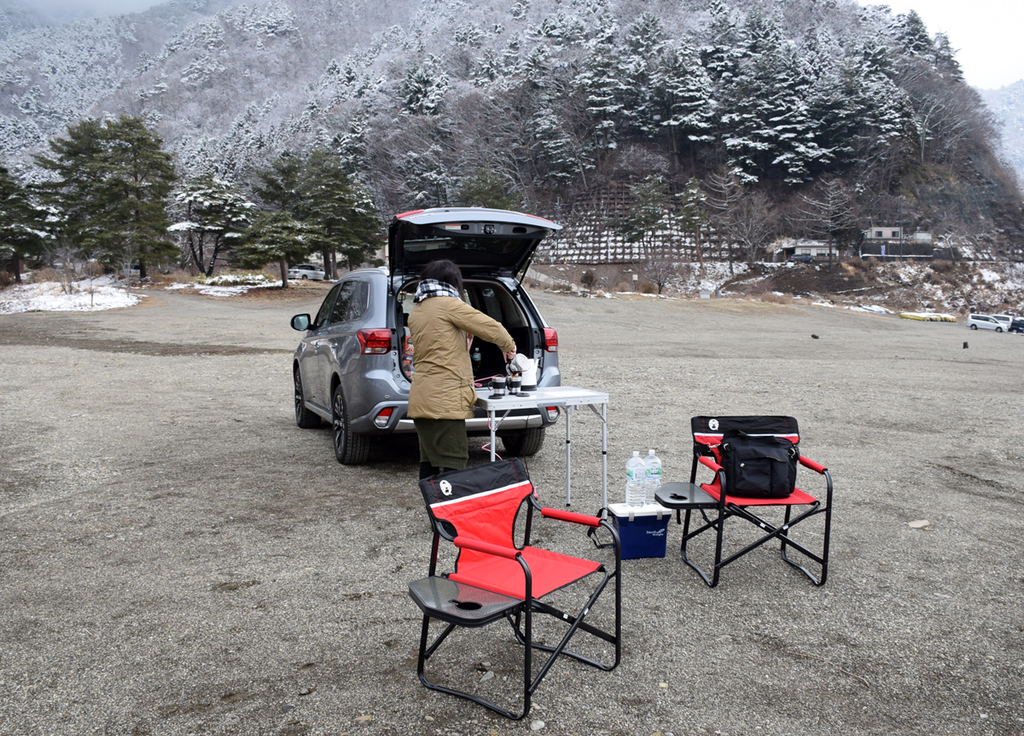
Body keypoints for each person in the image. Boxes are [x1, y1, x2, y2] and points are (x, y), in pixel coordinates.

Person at [407, 259, 516, 479]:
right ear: (453, 282)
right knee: (454, 461)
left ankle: (434, 508)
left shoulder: (417, 310)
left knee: (429, 460)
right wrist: (510, 346)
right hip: (445, 400)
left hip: (422, 397)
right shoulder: (448, 304)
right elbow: (490, 327)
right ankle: (450, 511)